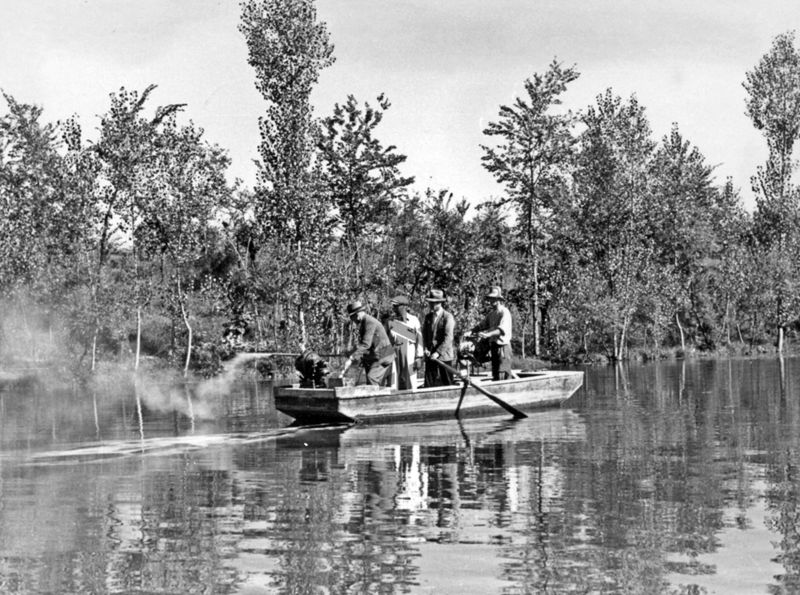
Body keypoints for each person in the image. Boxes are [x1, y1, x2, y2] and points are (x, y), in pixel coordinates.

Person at [339, 301, 396, 386]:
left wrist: (352, 357)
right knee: (370, 382)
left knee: (372, 378)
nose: (352, 320)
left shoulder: (369, 322)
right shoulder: (364, 322)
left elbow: (366, 344)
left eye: (352, 317)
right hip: (376, 355)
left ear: (357, 315)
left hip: (384, 355)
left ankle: (374, 398)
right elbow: (365, 344)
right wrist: (351, 353)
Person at [471, 286, 513, 381]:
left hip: (503, 347)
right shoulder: (492, 314)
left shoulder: (504, 312)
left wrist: (487, 334)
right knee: (495, 373)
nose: (491, 301)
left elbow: (502, 330)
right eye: (490, 299)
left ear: (498, 299)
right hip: (494, 346)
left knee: (503, 373)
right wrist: (472, 331)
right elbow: (482, 325)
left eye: (493, 299)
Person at [387, 294, 424, 390]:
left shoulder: (414, 320)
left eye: (396, 306)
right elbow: (387, 341)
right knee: (394, 380)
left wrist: (419, 357)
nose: (394, 309)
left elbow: (419, 340)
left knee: (410, 379)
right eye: (393, 306)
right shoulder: (390, 321)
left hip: (410, 351)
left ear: (403, 307)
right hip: (395, 353)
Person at [421, 289, 456, 387]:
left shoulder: (448, 317)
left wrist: (438, 352)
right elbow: (425, 335)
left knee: (448, 383)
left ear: (440, 303)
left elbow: (448, 338)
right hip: (431, 356)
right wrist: (426, 349)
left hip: (444, 356)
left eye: (434, 303)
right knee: (428, 384)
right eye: (430, 303)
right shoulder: (428, 317)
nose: (431, 305)